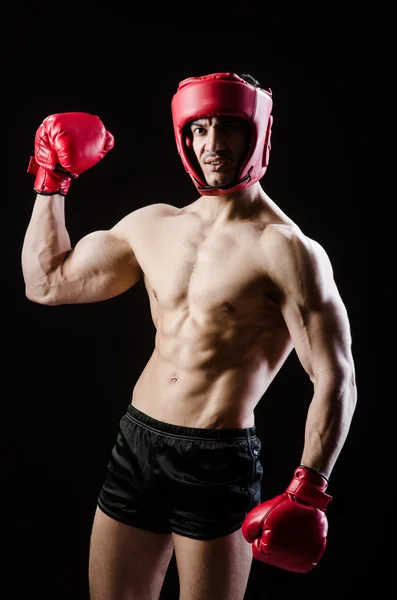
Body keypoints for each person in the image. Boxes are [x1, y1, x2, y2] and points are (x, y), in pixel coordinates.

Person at [21, 72, 357, 600]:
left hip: (216, 459)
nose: (212, 145)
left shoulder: (287, 250)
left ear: (257, 135)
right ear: (184, 137)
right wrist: (52, 180)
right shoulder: (155, 225)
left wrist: (311, 487)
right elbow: (46, 284)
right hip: (137, 442)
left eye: (227, 128)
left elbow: (336, 377)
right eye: (199, 129)